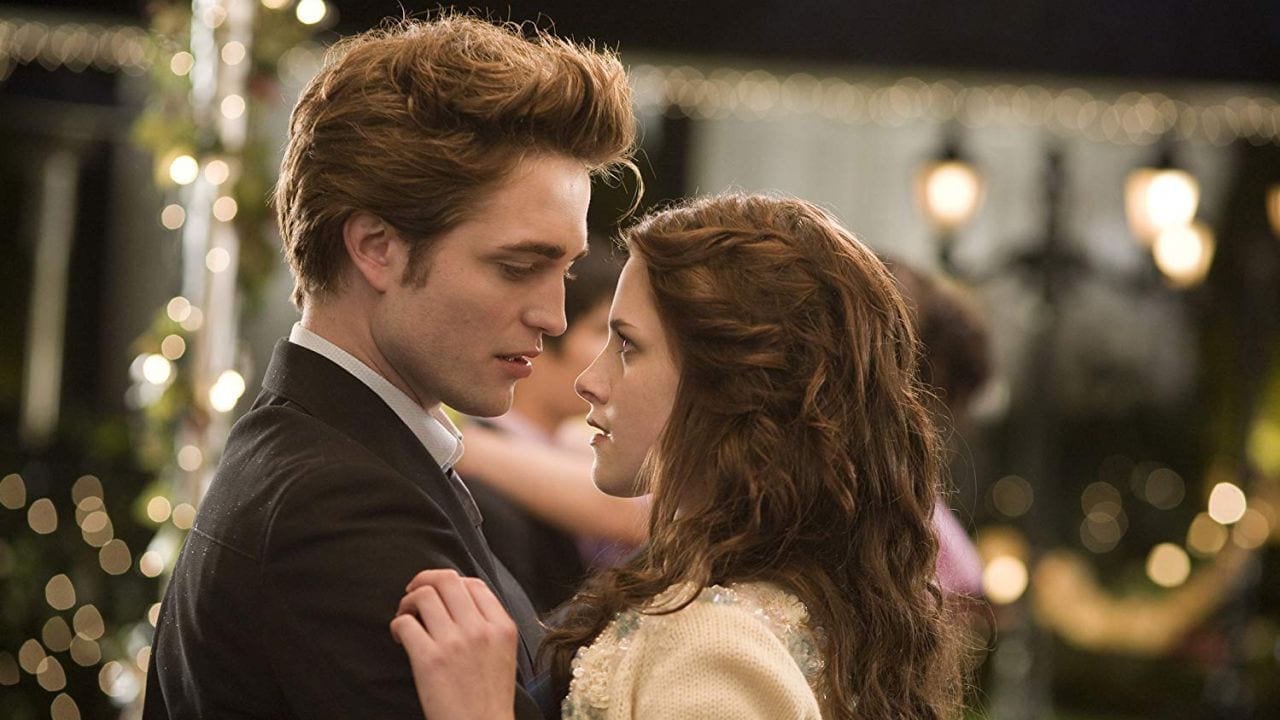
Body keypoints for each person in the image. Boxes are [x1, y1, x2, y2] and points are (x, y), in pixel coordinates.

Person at [143, 14, 635, 720]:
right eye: (518, 266)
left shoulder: (344, 457)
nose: (553, 317)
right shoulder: (338, 508)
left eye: (565, 270)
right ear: (376, 247)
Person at [391, 193, 964, 719]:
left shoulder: (712, 646)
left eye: (628, 346)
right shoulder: (776, 601)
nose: (590, 380)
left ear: (729, 384)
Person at [464, 244, 645, 614]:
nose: (619, 355)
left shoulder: (570, 446)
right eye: (601, 330)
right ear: (544, 336)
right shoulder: (481, 485)